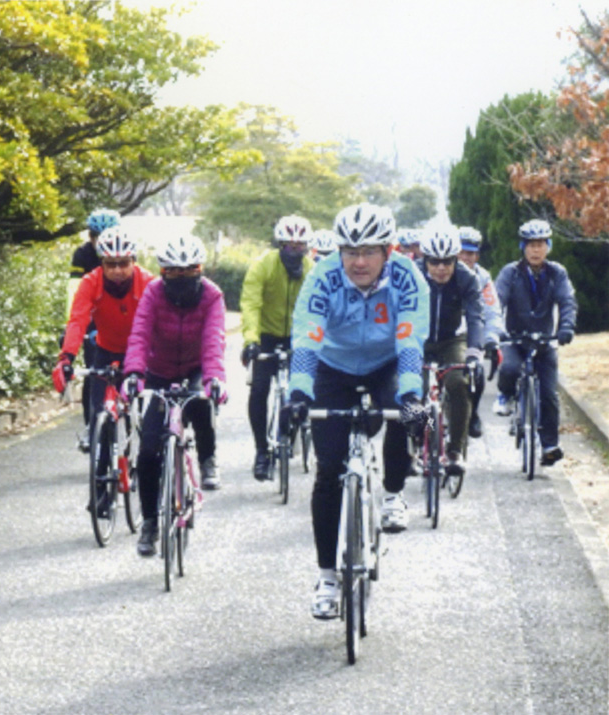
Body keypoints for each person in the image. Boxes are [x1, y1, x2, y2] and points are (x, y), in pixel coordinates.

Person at [283, 202, 429, 619]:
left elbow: (410, 340)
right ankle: (328, 576)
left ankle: (394, 493)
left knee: (404, 412)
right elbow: (307, 338)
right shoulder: (323, 276)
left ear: (389, 250)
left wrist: (411, 394)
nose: (358, 262)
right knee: (328, 473)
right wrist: (299, 394)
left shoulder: (408, 277)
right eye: (350, 251)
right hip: (334, 366)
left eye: (368, 252)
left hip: (387, 363)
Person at [123, 235, 227, 556]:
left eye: (189, 271)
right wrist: (134, 374)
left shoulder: (212, 296)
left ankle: (208, 459)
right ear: (162, 272)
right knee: (147, 451)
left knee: (201, 404)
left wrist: (214, 380)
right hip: (159, 370)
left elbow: (214, 341)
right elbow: (139, 334)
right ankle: (151, 523)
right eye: (173, 272)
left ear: (200, 269)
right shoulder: (153, 293)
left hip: (196, 367)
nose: (181, 279)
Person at [53, 226, 154, 513]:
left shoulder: (148, 283)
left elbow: (157, 325)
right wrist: (67, 358)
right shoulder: (90, 283)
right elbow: (77, 321)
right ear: (101, 264)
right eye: (111, 264)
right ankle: (101, 489)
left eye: (124, 264)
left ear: (133, 261)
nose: (118, 271)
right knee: (102, 417)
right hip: (106, 351)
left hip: (142, 352)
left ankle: (144, 464)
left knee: (148, 419)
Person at [492, 219, 577, 466]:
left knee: (549, 395)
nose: (535, 250)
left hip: (544, 342)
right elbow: (497, 301)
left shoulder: (557, 273)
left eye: (540, 244)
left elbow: (567, 301)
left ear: (548, 246)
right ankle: (506, 395)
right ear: (523, 247)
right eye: (530, 245)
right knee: (508, 369)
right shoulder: (511, 272)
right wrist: (497, 329)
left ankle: (549, 445)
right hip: (515, 339)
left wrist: (566, 328)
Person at [240, 215, 315, 480]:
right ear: (279, 245)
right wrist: (251, 340)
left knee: (301, 390)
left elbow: (316, 310)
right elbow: (251, 304)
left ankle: (290, 430)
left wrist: (315, 341)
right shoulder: (263, 266)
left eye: (300, 247)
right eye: (288, 246)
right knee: (259, 389)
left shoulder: (311, 270)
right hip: (266, 336)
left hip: (298, 338)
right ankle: (262, 450)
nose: (294, 252)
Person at [415, 228, 488, 476]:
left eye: (447, 261)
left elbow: (476, 317)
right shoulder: (413, 275)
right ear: (425, 259)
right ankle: (415, 441)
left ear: (455, 259)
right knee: (414, 387)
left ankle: (455, 450)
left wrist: (475, 353)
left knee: (458, 382)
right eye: (434, 261)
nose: (441, 268)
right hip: (418, 339)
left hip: (452, 339)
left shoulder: (466, 278)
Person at [67, 208, 122, 451]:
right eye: (94, 235)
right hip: (92, 317)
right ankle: (93, 425)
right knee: (94, 373)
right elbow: (74, 293)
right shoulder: (82, 254)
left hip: (118, 317)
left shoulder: (123, 251)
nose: (99, 241)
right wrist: (71, 331)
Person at [457, 225, 504, 437]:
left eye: (473, 253)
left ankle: (472, 414)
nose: (468, 257)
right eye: (463, 252)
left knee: (477, 375)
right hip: (438, 336)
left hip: (469, 335)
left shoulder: (483, 278)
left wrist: (492, 340)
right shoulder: (438, 270)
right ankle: (425, 428)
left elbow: (492, 311)